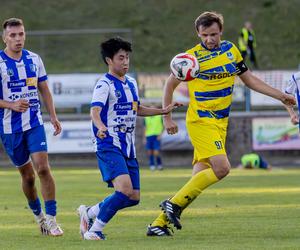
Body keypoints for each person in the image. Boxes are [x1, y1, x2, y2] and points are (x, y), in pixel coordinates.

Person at [146, 11, 295, 237]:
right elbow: (169, 86)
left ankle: (158, 224)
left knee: (198, 178)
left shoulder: (231, 50)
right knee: (223, 168)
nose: (209, 39)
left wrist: (280, 96)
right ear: (198, 33)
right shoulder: (190, 59)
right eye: (204, 35)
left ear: (221, 32)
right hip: (201, 119)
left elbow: (250, 80)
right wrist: (166, 118)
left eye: (213, 34)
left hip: (220, 122)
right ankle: (173, 205)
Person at [77, 37, 181, 240]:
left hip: (128, 146)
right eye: (121, 58)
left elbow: (137, 109)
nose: (125, 62)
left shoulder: (131, 82)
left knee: (133, 197)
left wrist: (163, 111)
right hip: (108, 143)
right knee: (123, 190)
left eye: (127, 58)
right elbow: (95, 111)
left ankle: (89, 213)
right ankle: (94, 230)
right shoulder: (104, 84)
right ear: (109, 60)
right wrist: (100, 127)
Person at [0, 18, 63, 236]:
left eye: (21, 34)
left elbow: (44, 89)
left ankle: (53, 219)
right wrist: (10, 104)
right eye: (13, 35)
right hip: (10, 129)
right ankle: (40, 218)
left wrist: (53, 116)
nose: (18, 39)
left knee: (43, 168)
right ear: (5, 38)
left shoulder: (35, 59)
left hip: (34, 122)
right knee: (28, 177)